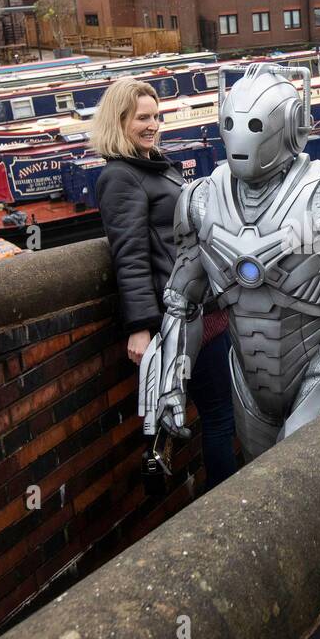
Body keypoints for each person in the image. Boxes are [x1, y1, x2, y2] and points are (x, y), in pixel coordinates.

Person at [91, 77, 238, 488]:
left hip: (204, 310)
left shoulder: (153, 165)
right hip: (181, 320)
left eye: (156, 116)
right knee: (218, 417)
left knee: (221, 414)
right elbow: (130, 257)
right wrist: (139, 326)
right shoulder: (120, 177)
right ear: (118, 121)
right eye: (142, 118)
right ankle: (228, 502)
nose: (153, 124)